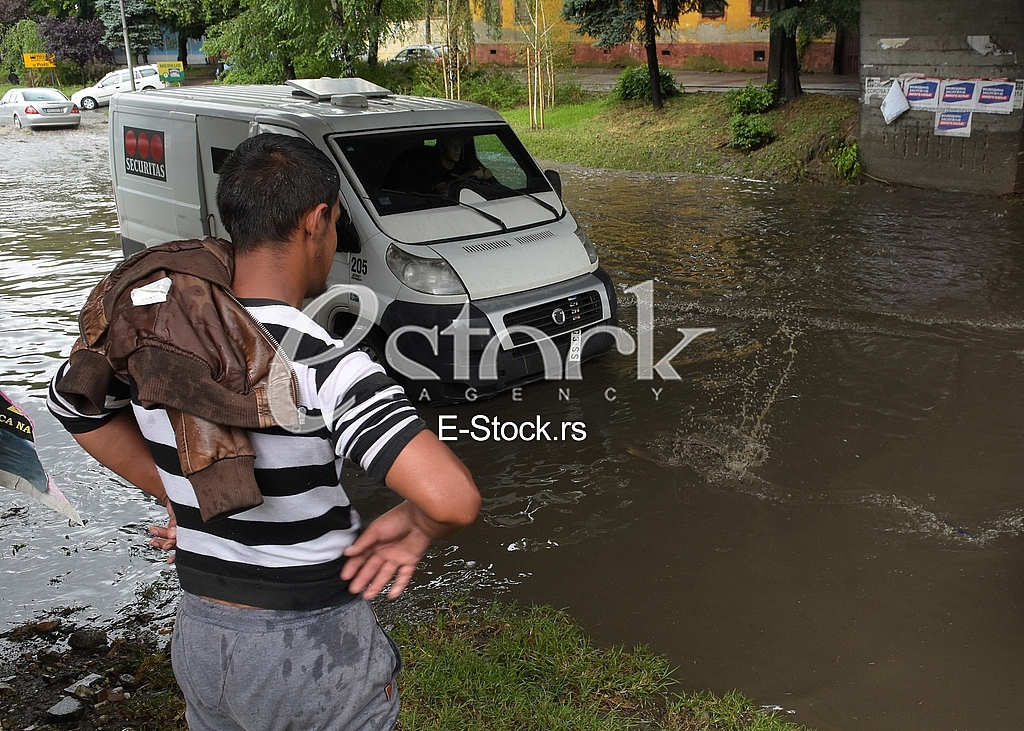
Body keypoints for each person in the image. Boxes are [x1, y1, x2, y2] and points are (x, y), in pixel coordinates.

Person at [46, 133, 481, 731]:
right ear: (317, 220)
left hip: (201, 634)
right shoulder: (322, 359)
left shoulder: (155, 341)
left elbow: (73, 404)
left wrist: (180, 491)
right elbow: (452, 498)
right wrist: (416, 525)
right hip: (313, 649)